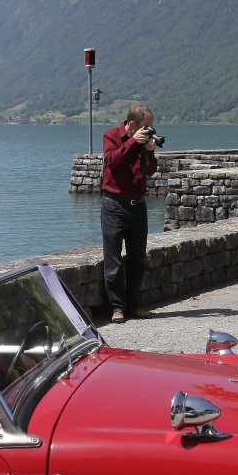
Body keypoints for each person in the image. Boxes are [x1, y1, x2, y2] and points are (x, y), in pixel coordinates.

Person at [100, 104, 159, 323]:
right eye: (146, 127)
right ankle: (117, 307)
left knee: (137, 259)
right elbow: (113, 161)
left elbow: (150, 171)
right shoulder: (111, 136)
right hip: (114, 205)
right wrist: (133, 142)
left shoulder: (143, 142)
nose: (149, 130)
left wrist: (150, 152)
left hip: (138, 206)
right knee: (113, 259)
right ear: (132, 124)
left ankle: (134, 305)